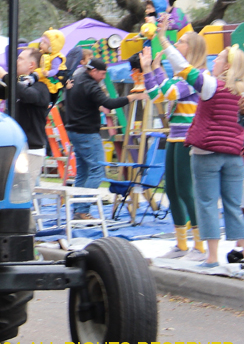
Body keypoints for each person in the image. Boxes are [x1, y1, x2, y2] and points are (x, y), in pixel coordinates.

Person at [157, 18, 244, 268]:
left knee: (206, 202)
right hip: (235, 155)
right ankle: (242, 252)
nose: (213, 61)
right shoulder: (241, 90)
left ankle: (212, 256)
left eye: (218, 59)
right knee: (234, 204)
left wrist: (163, 39)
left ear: (227, 65)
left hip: (207, 153)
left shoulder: (210, 85)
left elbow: (183, 67)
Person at [141, 32, 208, 260]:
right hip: (174, 137)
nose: (177, 45)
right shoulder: (180, 77)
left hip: (188, 138)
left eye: (181, 42)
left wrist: (158, 69)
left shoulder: (198, 75)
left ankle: (199, 245)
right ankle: (181, 244)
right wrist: (148, 70)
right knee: (171, 190)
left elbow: (169, 92)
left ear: (193, 48)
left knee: (186, 191)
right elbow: (156, 96)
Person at [63, 58, 147, 219]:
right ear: (93, 71)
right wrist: (132, 98)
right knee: (97, 170)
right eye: (102, 74)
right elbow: (109, 103)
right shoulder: (90, 85)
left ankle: (77, 209)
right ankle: (82, 210)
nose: (103, 77)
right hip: (86, 132)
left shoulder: (77, 78)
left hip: (74, 130)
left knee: (83, 172)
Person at [0, 49, 51, 187]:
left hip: (31, 149)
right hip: (14, 146)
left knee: (24, 192)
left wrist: (5, 76)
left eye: (20, 59)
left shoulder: (42, 87)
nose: (16, 62)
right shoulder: (18, 86)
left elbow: (28, 95)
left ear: (31, 65)